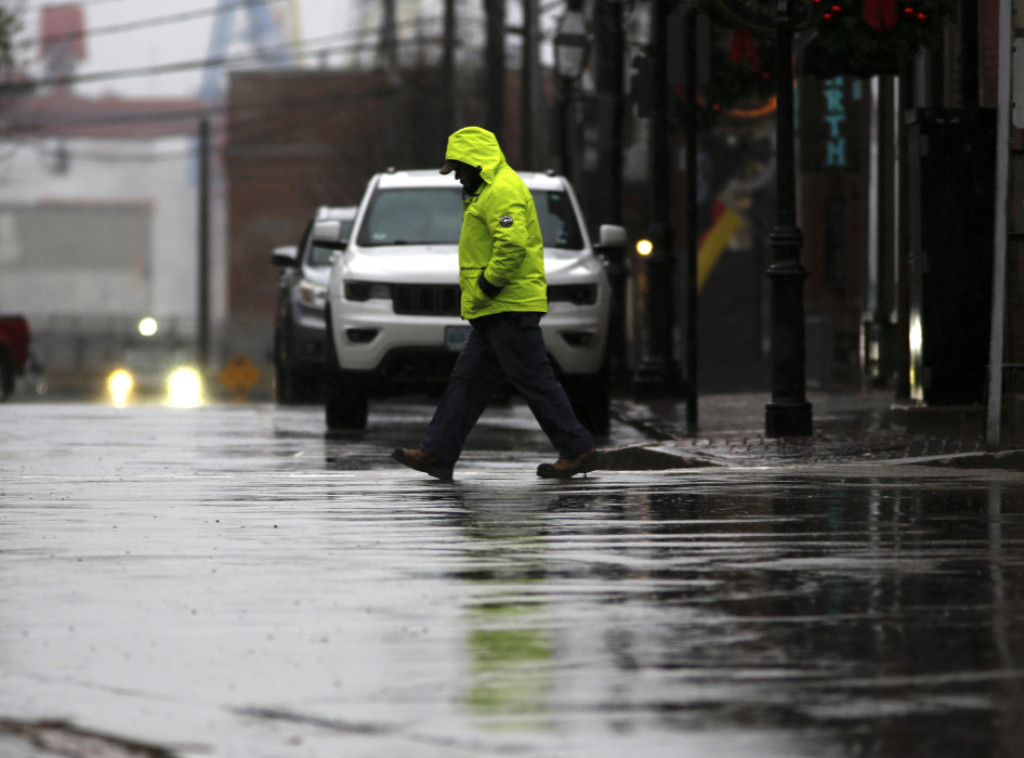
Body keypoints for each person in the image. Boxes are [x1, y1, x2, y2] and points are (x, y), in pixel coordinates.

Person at [392, 126, 600, 481]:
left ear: (475, 164)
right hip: (497, 308)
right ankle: (438, 453)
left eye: (459, 169)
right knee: (467, 383)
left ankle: (577, 449)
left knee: (533, 380)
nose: (457, 177)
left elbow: (512, 245)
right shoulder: (487, 191)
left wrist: (487, 285)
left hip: (507, 305)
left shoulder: (501, 191)